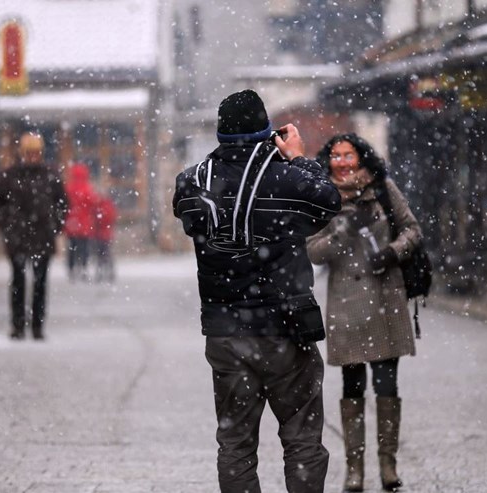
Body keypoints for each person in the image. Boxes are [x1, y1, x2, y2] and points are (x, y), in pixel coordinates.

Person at [172, 89, 341, 493]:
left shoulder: (194, 181)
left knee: (235, 443)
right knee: (301, 438)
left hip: (225, 331)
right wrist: (299, 157)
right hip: (287, 328)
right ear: (267, 130)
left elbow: (187, 218)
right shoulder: (287, 177)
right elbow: (329, 202)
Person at [306, 133, 423, 492]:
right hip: (347, 304)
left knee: (387, 383)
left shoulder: (383, 188)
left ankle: (388, 465)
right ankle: (354, 468)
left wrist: (392, 252)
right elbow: (313, 252)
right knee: (352, 385)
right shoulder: (322, 196)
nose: (342, 161)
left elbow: (412, 230)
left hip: (386, 298)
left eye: (349, 154)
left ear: (361, 157)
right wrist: (342, 230)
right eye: (336, 155)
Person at [0, 132, 68, 340]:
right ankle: (17, 325)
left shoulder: (50, 176)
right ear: (22, 153)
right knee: (18, 280)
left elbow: (62, 204)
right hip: (18, 237)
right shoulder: (10, 176)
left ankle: (37, 325)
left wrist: (55, 227)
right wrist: (8, 225)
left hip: (42, 237)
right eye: (29, 153)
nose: (33, 157)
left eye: (36, 153)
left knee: (40, 282)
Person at [63, 162, 96, 281]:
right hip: (84, 225)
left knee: (72, 248)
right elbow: (93, 204)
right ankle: (83, 267)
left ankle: (71, 269)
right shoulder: (87, 188)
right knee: (84, 248)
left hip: (72, 224)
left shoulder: (69, 188)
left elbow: (64, 205)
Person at [92, 191, 118, 282]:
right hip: (103, 234)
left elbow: (105, 218)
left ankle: (105, 273)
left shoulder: (102, 206)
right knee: (104, 255)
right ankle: (106, 273)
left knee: (103, 255)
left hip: (103, 235)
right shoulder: (104, 206)